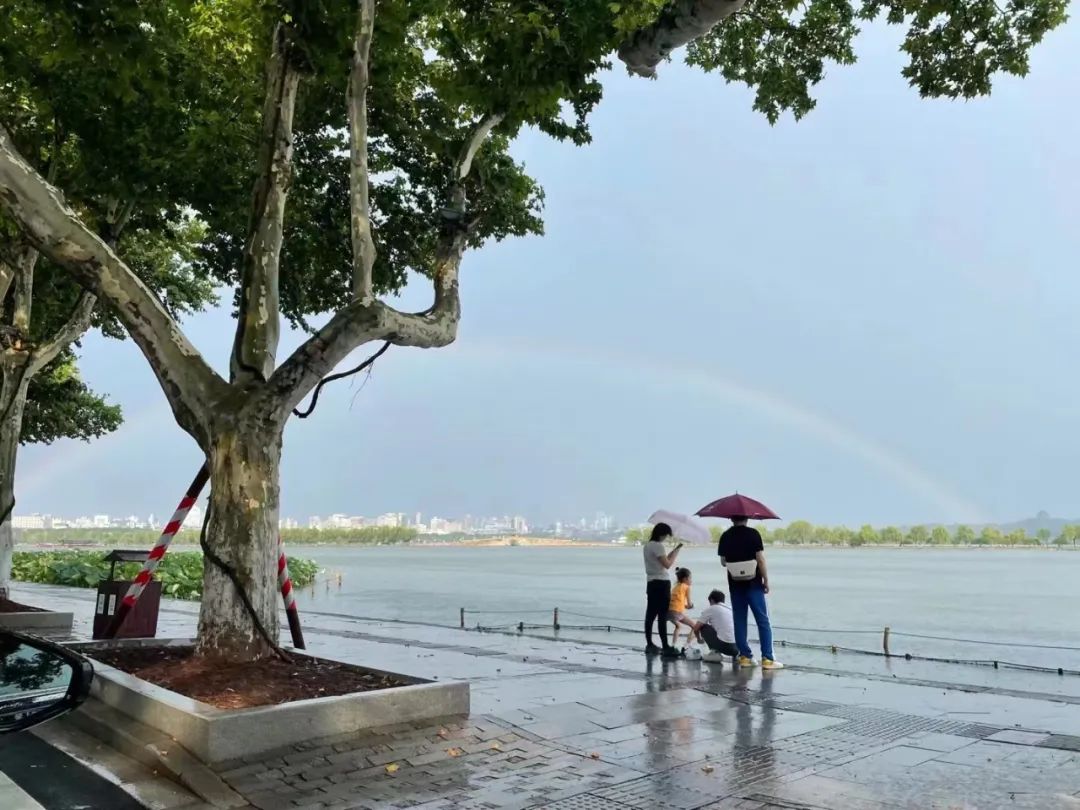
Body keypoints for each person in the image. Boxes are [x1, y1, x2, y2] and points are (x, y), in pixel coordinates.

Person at [717, 516, 784, 669]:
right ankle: (767, 659)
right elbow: (760, 560)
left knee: (740, 620)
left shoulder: (725, 536)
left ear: (731, 519)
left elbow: (723, 562)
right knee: (762, 620)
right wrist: (765, 580)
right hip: (753, 584)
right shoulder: (753, 534)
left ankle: (745, 657)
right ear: (747, 518)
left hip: (735, 584)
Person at [643, 522, 683, 657]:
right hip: (662, 584)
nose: (666, 537)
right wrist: (677, 552)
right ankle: (666, 646)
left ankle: (649, 644)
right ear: (662, 534)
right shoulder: (658, 546)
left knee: (650, 615)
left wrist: (672, 551)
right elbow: (667, 564)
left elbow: (663, 559)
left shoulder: (648, 546)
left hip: (651, 583)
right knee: (662, 616)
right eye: (666, 535)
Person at [693, 589, 739, 663]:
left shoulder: (712, 608)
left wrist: (699, 639)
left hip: (725, 647)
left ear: (712, 600)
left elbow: (696, 628)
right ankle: (736, 656)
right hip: (737, 648)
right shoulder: (730, 609)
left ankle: (715, 653)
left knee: (703, 627)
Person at [668, 567, 699, 648]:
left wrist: (685, 606)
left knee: (678, 626)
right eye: (690, 578)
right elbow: (689, 604)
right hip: (677, 612)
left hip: (669, 611)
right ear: (685, 579)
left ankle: (673, 645)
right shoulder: (686, 587)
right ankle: (686, 645)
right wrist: (691, 606)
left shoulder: (676, 586)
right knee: (695, 626)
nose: (691, 580)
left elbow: (676, 601)